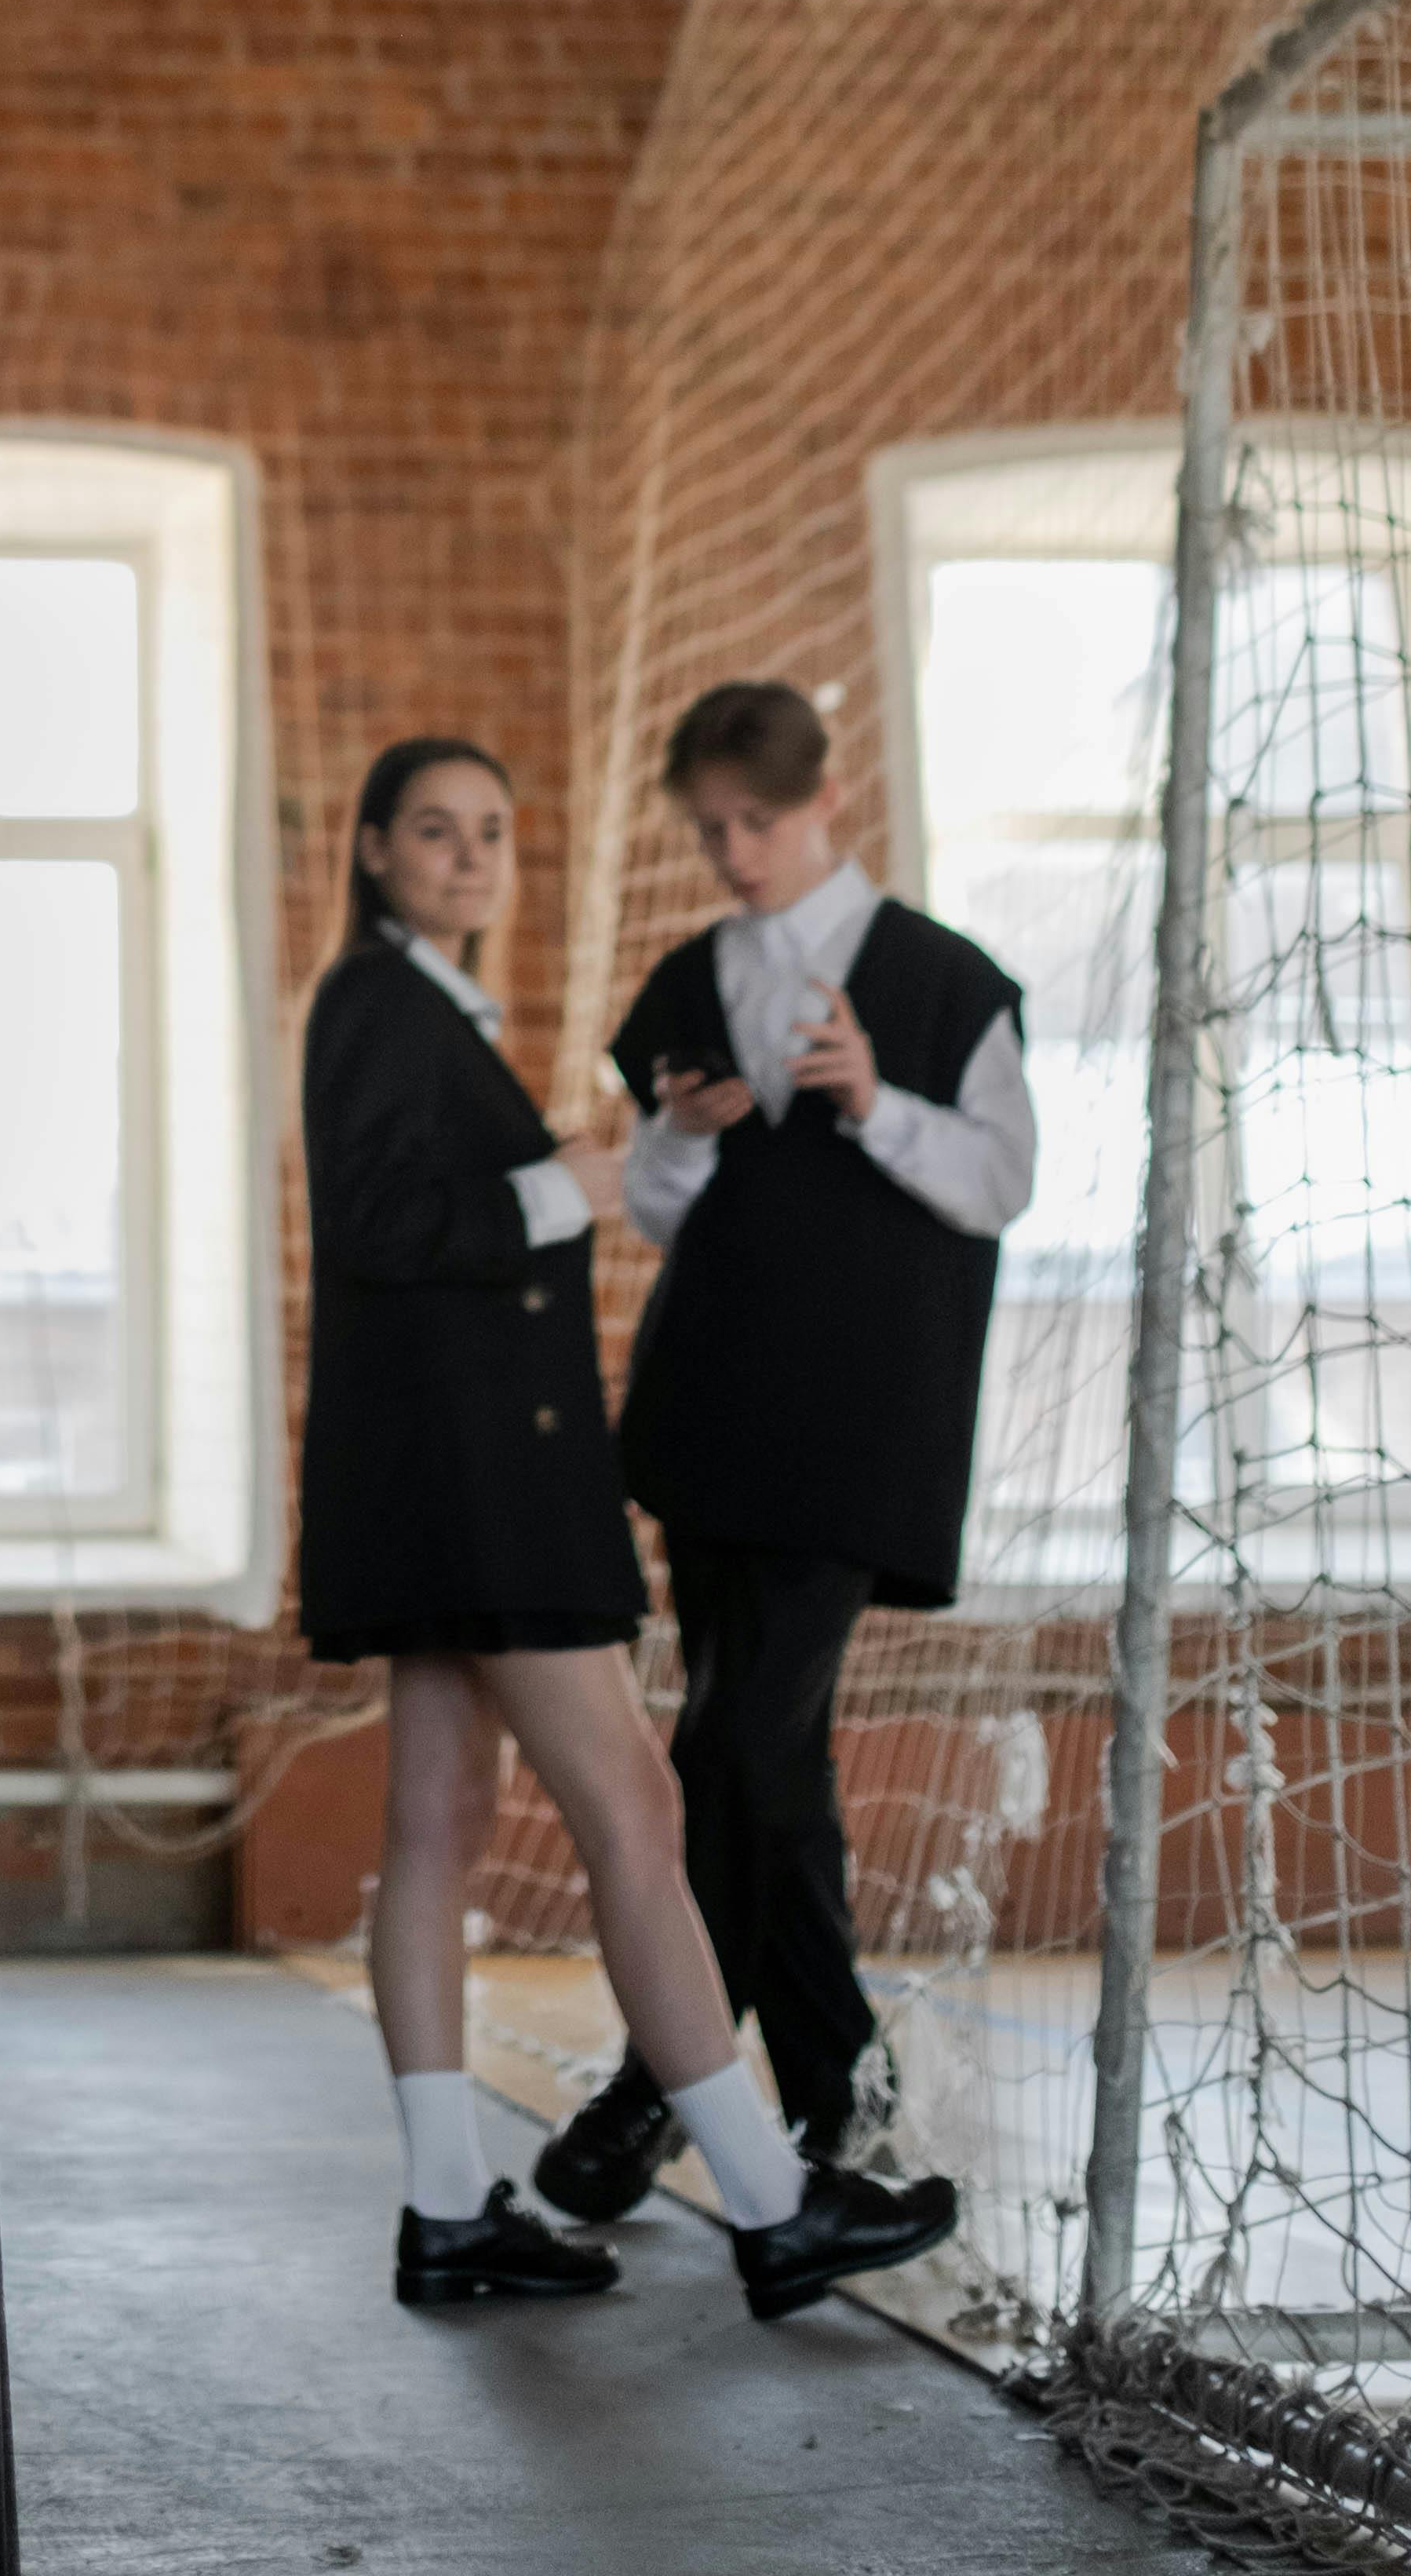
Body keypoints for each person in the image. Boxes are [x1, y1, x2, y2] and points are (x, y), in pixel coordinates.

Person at [301, 735, 959, 2322]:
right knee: (638, 1820)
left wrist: (599, 1158)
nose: (469, 857)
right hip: (483, 1491)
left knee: (434, 1833)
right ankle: (769, 2199)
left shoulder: (422, 1007)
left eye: (490, 831)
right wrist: (570, 1180)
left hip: (443, 1484)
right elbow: (382, 1224)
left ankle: (449, 2205)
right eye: (436, 831)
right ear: (375, 846)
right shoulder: (378, 1000)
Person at [534, 679, 1037, 2231]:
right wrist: (682, 1129)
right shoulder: (689, 975)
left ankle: (666, 2091)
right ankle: (820, 2109)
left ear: (822, 797)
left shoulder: (947, 982)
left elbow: (1002, 1181)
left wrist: (872, 1098)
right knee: (765, 1760)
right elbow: (667, 1210)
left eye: (753, 822)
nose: (732, 852)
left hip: (859, 1425)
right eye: (710, 829)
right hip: (714, 1411)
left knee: (731, 1748)